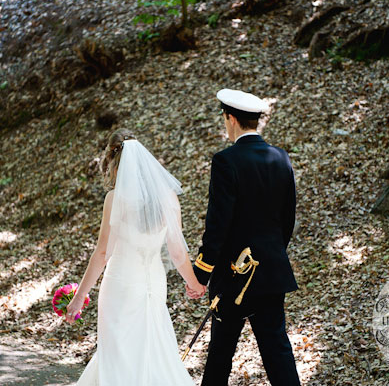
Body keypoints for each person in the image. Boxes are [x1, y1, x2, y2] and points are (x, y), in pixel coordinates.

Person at [65, 128, 206, 386]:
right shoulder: (169, 198)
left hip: (120, 285)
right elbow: (177, 252)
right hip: (153, 283)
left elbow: (103, 253)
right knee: (153, 349)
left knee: (118, 353)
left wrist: (79, 297)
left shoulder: (115, 199)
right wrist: (195, 284)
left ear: (113, 163)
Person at [187, 89, 301, 385]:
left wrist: (201, 272)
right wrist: (271, 254)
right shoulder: (280, 157)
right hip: (271, 271)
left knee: (221, 352)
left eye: (224, 119)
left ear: (231, 118)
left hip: (233, 275)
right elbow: (287, 219)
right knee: (278, 351)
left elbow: (218, 224)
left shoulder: (226, 161)